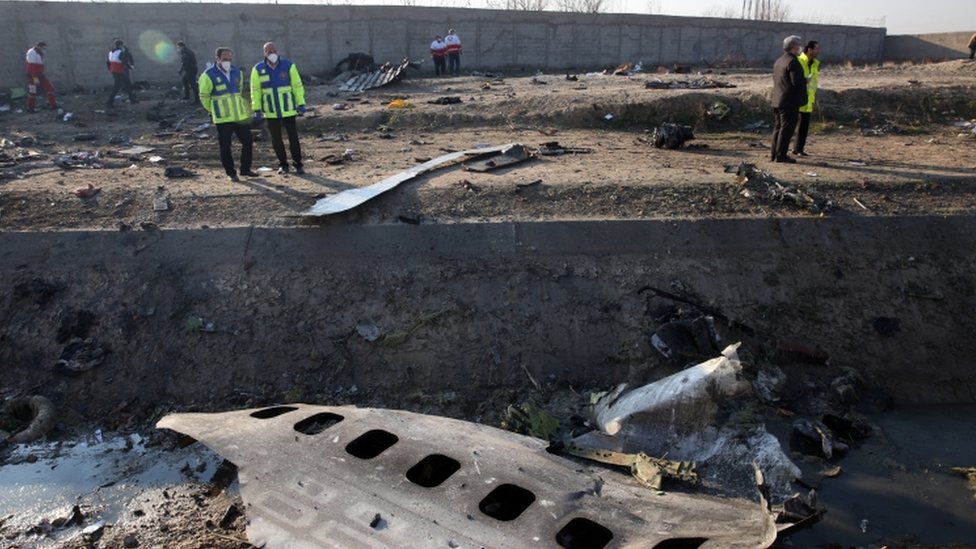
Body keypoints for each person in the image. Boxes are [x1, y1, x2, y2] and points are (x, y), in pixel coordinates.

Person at [199, 47, 257, 182]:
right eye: (225, 59)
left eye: (230, 59)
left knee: (247, 142)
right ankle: (231, 172)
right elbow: (204, 96)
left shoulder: (237, 72)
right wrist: (213, 110)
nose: (228, 62)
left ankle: (245, 169)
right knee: (225, 146)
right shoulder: (208, 75)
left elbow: (239, 91)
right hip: (223, 118)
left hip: (239, 116)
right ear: (217, 59)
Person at [250, 42, 307, 175]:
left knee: (293, 138)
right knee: (276, 140)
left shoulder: (288, 66)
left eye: (274, 50)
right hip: (271, 111)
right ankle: (283, 165)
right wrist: (257, 108)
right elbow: (256, 90)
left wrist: (301, 103)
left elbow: (297, 86)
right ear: (264, 53)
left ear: (278, 51)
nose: (272, 53)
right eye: (268, 51)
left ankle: (298, 164)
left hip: (288, 109)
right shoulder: (258, 69)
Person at [770, 35, 806, 163]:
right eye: (799, 44)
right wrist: (805, 80)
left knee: (778, 128)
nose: (800, 47)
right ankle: (781, 155)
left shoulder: (779, 61)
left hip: (777, 99)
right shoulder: (793, 61)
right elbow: (796, 82)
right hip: (789, 101)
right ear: (794, 46)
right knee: (787, 129)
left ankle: (774, 154)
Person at [793, 40, 821, 156]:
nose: (818, 51)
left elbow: (813, 82)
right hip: (797, 98)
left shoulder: (815, 63)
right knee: (792, 125)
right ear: (809, 49)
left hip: (808, 99)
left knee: (804, 126)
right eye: (816, 49)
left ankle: (799, 149)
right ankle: (786, 149)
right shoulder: (799, 61)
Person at [25, 42, 57, 112]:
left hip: (39, 75)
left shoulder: (38, 53)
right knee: (32, 92)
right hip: (33, 76)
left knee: (50, 89)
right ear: (40, 47)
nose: (44, 50)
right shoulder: (32, 53)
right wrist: (35, 78)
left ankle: (52, 104)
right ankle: (30, 108)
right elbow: (31, 67)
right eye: (44, 48)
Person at [106, 39, 138, 107]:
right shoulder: (120, 52)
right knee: (117, 87)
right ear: (121, 45)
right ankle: (109, 102)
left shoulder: (111, 52)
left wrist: (110, 69)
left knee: (128, 84)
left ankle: (132, 100)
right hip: (119, 71)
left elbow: (108, 62)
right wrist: (130, 67)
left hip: (115, 71)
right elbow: (124, 61)